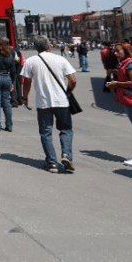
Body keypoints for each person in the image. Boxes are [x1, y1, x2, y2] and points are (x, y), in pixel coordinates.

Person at [21, 36, 77, 173]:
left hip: (43, 103)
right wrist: (68, 91)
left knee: (46, 132)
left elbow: (27, 82)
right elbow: (72, 80)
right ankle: (66, 155)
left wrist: (24, 97)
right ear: (48, 46)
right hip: (62, 102)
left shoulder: (30, 61)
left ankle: (52, 163)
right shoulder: (61, 59)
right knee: (66, 130)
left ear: (35, 47)